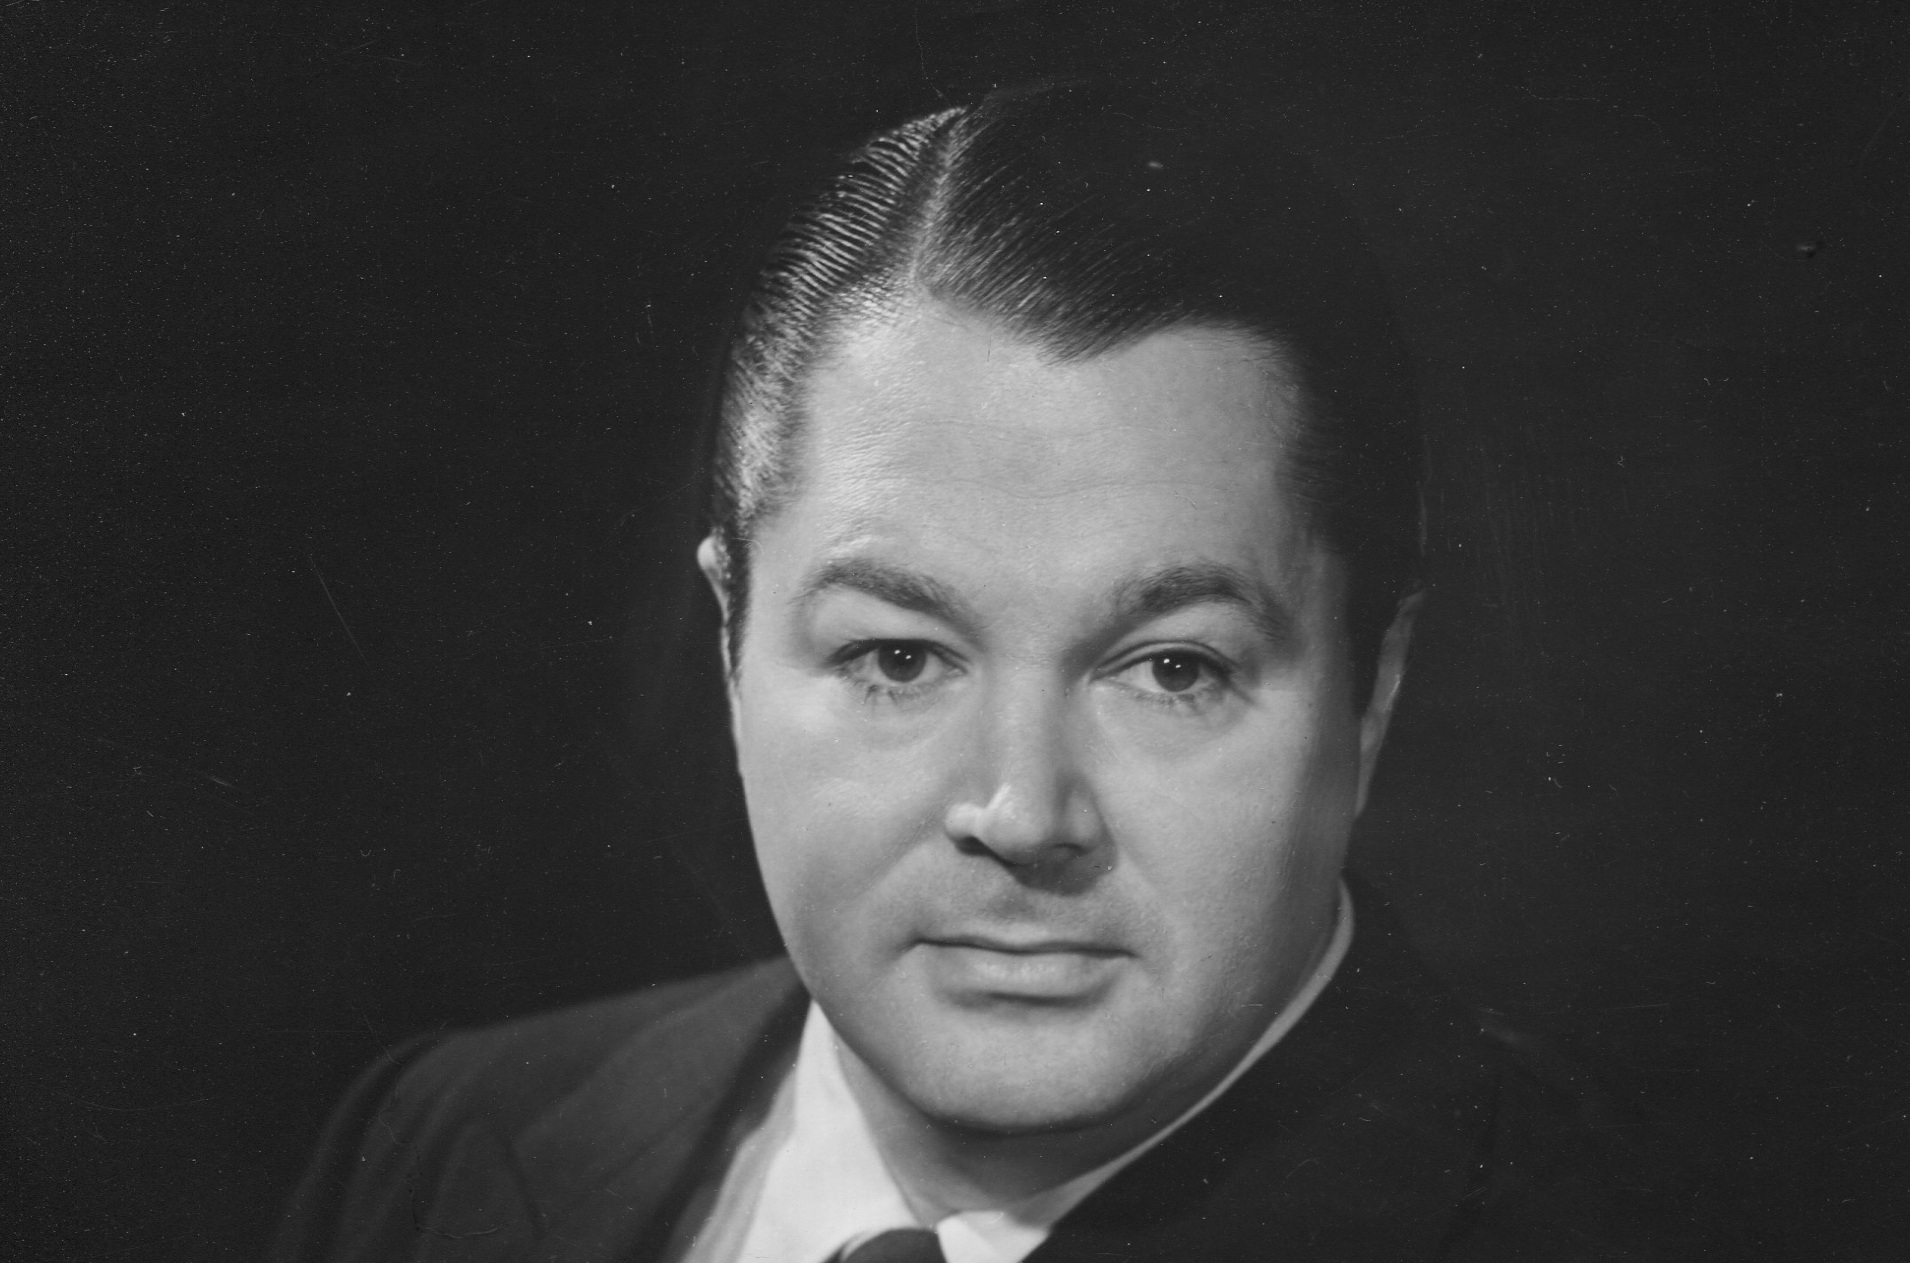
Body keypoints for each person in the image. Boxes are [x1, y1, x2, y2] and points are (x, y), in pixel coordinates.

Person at [273, 82, 1712, 1263]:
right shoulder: (450, 1136)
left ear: (1369, 691)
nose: (1023, 814)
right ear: (730, 646)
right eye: (897, 657)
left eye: (1171, 670)